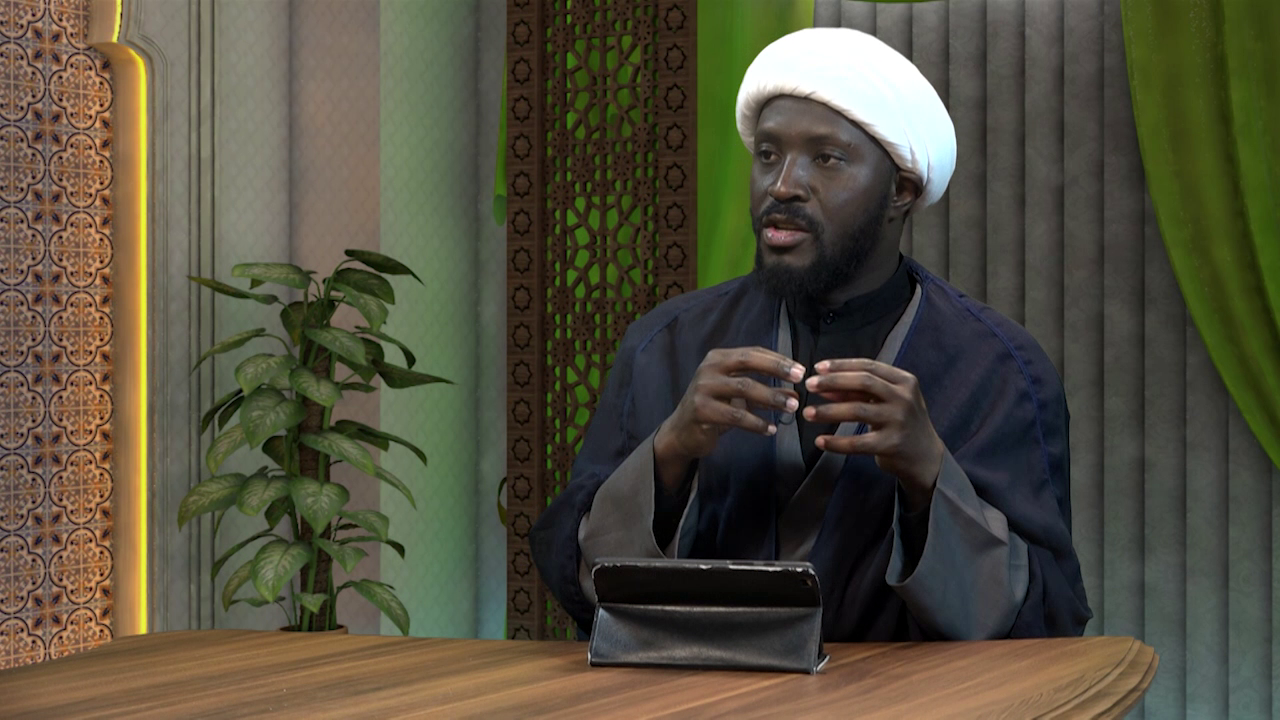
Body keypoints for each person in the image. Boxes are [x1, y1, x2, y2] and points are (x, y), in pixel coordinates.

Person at [530, 27, 1092, 641]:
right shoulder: (665, 345)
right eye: (768, 154)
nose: (782, 185)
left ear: (901, 191)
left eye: (825, 159)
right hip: (702, 690)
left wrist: (930, 473)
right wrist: (670, 451)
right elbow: (574, 576)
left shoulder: (998, 369)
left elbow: (1049, 618)